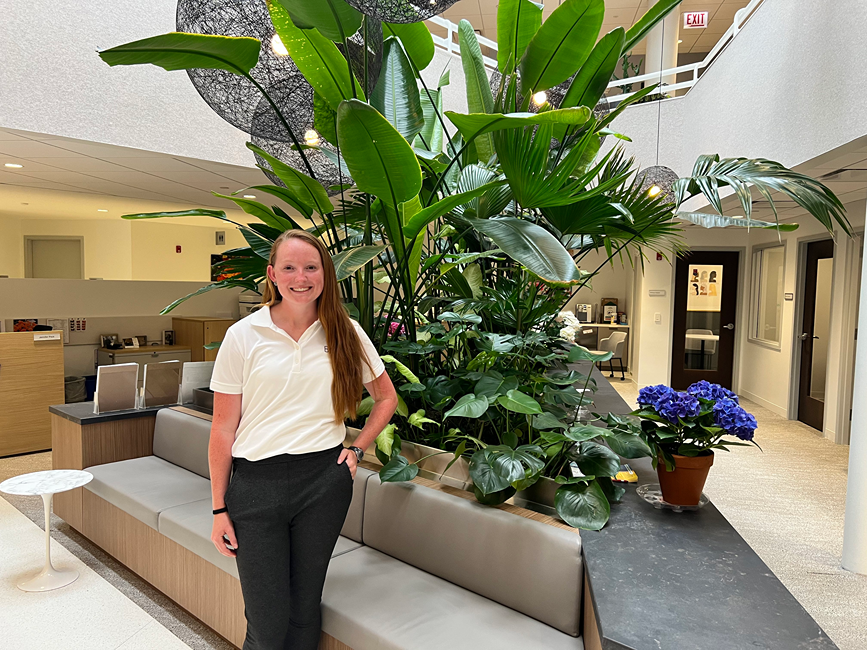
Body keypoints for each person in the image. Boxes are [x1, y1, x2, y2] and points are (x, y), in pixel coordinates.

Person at [208, 230, 398, 650]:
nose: (301, 277)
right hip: (256, 487)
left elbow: (386, 397)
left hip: (323, 483)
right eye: (290, 268)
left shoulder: (345, 332)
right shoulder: (244, 335)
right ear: (273, 274)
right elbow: (222, 427)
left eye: (311, 267)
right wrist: (220, 507)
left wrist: (359, 447)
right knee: (267, 620)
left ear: (325, 275)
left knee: (304, 608)